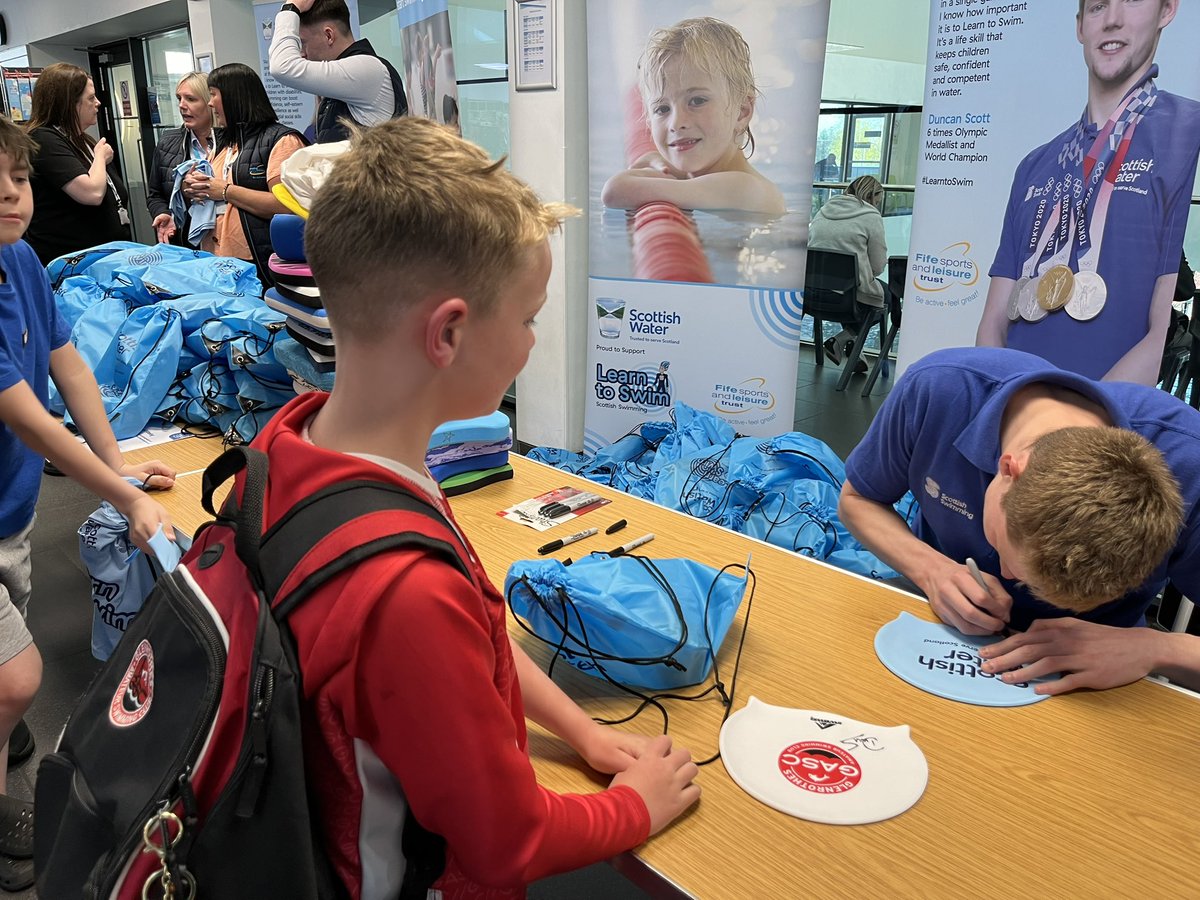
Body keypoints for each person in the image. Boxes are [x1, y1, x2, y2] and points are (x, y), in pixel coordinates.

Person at [252, 117, 700, 897]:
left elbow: (481, 636)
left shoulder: (292, 447)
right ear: (449, 334)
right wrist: (635, 807)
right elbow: (506, 843)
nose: (532, 342)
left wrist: (584, 731)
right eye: (527, 317)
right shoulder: (404, 592)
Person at [0, 117, 176, 891]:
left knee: (10, 642)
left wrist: (122, 473)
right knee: (18, 679)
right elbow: (28, 417)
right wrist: (118, 495)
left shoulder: (23, 263)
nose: (9, 196)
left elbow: (68, 370)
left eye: (15, 179)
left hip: (12, 508)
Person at [839, 346, 1200, 697]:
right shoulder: (940, 390)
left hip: (1099, 670)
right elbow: (857, 500)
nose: (1007, 579)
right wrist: (931, 571)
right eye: (1008, 557)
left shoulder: (1191, 467)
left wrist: (1155, 649)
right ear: (1010, 468)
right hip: (936, 620)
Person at [976, 0, 1200, 385]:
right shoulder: (1035, 165)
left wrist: (1075, 430)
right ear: (1080, 27)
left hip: (1108, 435)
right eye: (1097, 6)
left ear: (1167, 10)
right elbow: (994, 322)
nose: (1112, 20)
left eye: (1131, 1)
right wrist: (1005, 409)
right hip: (1015, 421)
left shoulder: (1186, 134)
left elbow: (1159, 333)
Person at [601, 17, 784, 216]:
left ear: (742, 111)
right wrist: (656, 160)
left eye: (696, 101)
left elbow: (614, 191)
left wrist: (654, 167)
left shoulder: (745, 188)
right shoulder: (706, 176)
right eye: (662, 109)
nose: (677, 123)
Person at [183, 63, 307, 285]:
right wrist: (194, 185)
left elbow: (286, 205)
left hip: (256, 264)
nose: (210, 103)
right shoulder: (224, 144)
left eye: (213, 95)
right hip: (216, 260)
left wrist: (225, 191)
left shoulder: (281, 141)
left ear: (234, 97)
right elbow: (213, 187)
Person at [24, 63, 131, 266]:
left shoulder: (82, 140)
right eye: (90, 98)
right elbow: (91, 193)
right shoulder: (44, 139)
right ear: (69, 103)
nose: (98, 103)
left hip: (106, 259)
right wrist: (99, 158)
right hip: (71, 267)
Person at [269, 0, 408, 144]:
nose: (302, 54)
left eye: (303, 43)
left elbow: (282, 67)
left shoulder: (365, 69)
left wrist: (290, 9)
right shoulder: (347, 79)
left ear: (329, 35)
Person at [809, 174, 888, 372]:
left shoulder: (823, 210)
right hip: (847, 300)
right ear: (872, 196)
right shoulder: (871, 216)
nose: (877, 204)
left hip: (811, 294)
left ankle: (855, 353)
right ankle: (842, 339)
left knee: (854, 288)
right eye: (878, 200)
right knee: (885, 297)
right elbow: (878, 267)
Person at [145, 72, 215, 245]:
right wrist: (162, 213)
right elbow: (155, 195)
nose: (182, 106)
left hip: (226, 240)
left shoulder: (233, 143)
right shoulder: (167, 143)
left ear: (210, 103)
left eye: (191, 99)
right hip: (184, 242)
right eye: (179, 99)